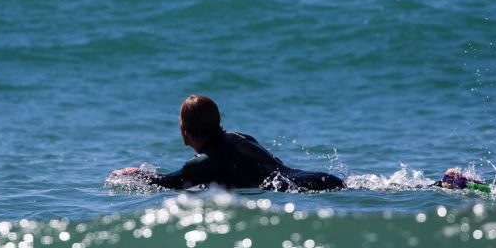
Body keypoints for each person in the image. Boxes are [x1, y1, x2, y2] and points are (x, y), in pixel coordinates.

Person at [110, 95, 346, 192]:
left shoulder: (202, 163)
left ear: (185, 131)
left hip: (301, 190)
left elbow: (168, 183)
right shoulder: (241, 137)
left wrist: (134, 174)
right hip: (320, 178)